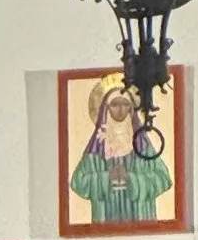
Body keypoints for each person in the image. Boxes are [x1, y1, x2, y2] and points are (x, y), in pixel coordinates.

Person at [68, 78, 174, 225]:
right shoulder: (97, 148)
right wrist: (106, 178)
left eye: (125, 105)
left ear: (132, 108)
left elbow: (163, 178)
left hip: (141, 221)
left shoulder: (142, 145)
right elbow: (77, 182)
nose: (120, 109)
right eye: (115, 104)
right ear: (106, 108)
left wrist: (132, 179)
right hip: (105, 221)